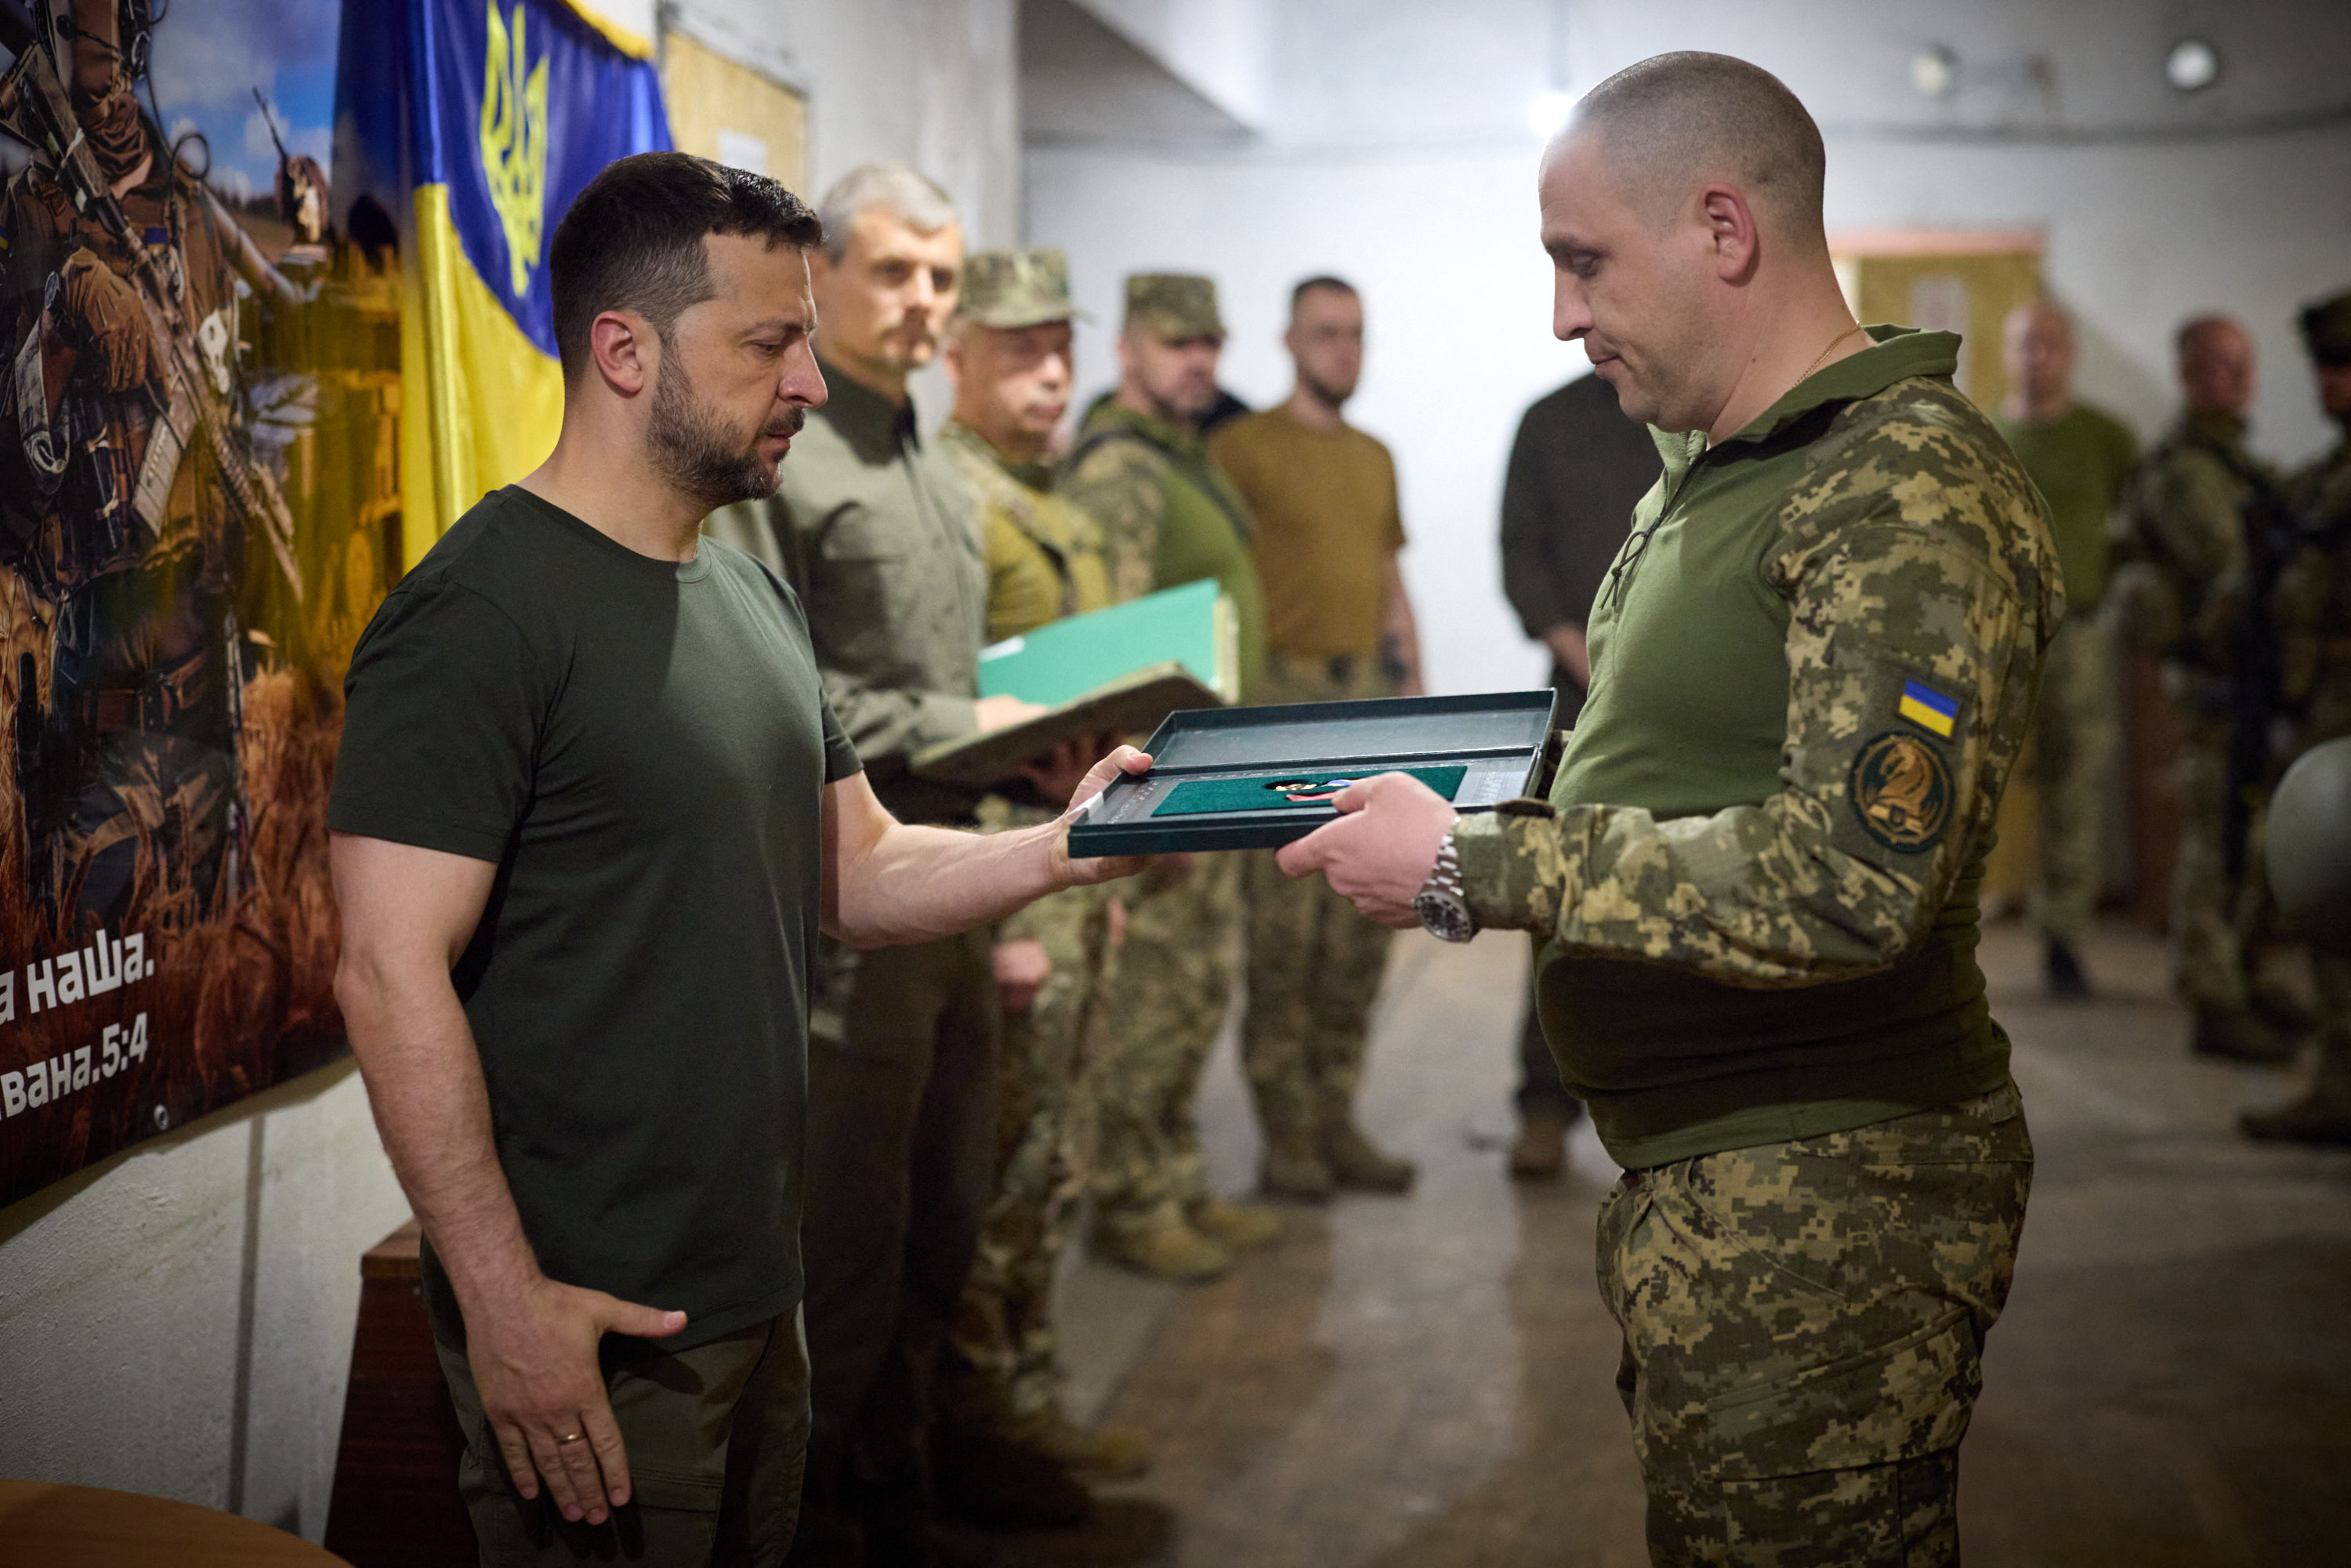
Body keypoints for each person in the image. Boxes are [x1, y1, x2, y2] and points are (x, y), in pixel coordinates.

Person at [1280, 53, 2056, 1562]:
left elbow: (1850, 881)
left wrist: (1476, 864)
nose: (1563, 314)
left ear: (1722, 228)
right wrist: (1472, 798)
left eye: (1583, 263)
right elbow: (1675, 764)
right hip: (1717, 1177)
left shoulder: (1899, 490)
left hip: (1829, 1187)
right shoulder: (1718, 469)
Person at [328, 151, 1147, 1568]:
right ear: (626, 351)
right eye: (771, 344)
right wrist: (506, 1305)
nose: (812, 386)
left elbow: (861, 868)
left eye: (809, 344)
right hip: (598, 1325)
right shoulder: (477, 615)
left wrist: (1064, 849)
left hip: (756, 1294)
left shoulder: (748, 589)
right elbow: (385, 973)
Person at [699, 161, 1042, 1567]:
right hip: (850, 902)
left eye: (943, 280)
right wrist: (972, 724)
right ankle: (823, 1522)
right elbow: (786, 684)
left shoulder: (937, 465)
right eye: (895, 271)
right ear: (821, 279)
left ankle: (898, 1493)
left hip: (951, 881)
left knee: (944, 1219)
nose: (920, 302)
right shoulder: (786, 458)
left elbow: (939, 665)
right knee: (846, 1243)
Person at [929, 246, 1152, 1514]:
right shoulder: (951, 500)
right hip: (1000, 861)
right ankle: (981, 1426)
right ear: (955, 355)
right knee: (998, 1162)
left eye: (1061, 345)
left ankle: (1029, 1391)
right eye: (1019, 348)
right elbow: (928, 714)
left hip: (1069, 859)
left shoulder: (1050, 495)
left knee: (1051, 1155)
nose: (1049, 370)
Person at [1059, 273, 1278, 1281]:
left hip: (1214, 763)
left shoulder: (1179, 454)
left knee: (1195, 994)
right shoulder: (1119, 469)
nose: (1199, 359)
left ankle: (1178, 1177)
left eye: (1210, 343)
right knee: (1150, 999)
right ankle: (1132, 1200)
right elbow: (1110, 645)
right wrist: (1149, 801)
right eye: (1177, 342)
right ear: (1130, 349)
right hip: (1167, 770)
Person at [1207, 276, 1421, 1199]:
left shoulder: (1375, 456)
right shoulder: (1241, 450)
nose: (1345, 350)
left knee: (1358, 936)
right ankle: (1286, 1136)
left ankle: (1338, 1117)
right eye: (1327, 334)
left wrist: (1415, 688)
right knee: (1285, 937)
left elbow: (1385, 576)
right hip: (1280, 704)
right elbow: (1220, 588)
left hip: (1367, 697)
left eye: (1358, 335)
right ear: (1289, 341)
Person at [2110, 317, 2306, 1062]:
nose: (2236, 377)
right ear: (2189, 374)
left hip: (2250, 681)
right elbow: (2234, 570)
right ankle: (2211, 995)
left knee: (2248, 837)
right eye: (2219, 365)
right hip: (2219, 682)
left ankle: (2244, 977)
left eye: (2243, 363)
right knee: (2214, 833)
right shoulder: (2188, 470)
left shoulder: (2236, 462)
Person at [1497, 371, 1664, 1177]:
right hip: (1579, 700)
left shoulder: (1699, 414)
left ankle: (1679, 1106)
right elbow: (1521, 560)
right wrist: (1596, 663)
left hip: (1684, 700)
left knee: (1680, 895)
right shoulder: (1550, 422)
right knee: (1560, 900)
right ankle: (1542, 1105)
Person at [1993, 301, 2139, 998]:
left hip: (2076, 635)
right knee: (1966, 782)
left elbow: (2141, 529)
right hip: (1993, 637)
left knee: (2074, 788)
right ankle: (1947, 924)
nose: (2037, 357)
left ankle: (2064, 936)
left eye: (2048, 344)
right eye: (2025, 344)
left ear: (2070, 352)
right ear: (2007, 351)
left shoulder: (2107, 438)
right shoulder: (1983, 435)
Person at [2243, 288, 2351, 1143]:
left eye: (2345, 365)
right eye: (2322, 367)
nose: (2331, 384)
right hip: (2321, 712)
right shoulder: (2316, 481)